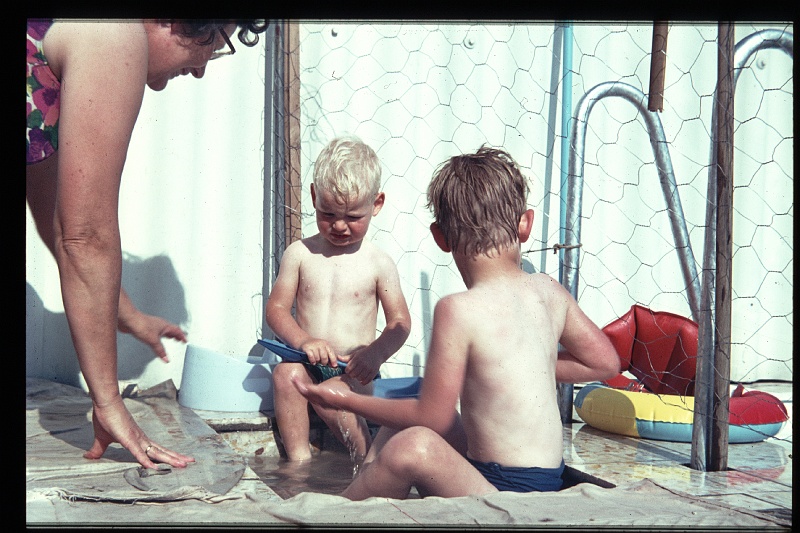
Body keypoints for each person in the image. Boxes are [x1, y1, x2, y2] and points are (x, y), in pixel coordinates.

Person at [293, 146, 621, 499]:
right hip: (542, 478)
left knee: (414, 445)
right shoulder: (550, 291)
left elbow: (432, 417)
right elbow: (604, 362)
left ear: (441, 238)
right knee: (395, 427)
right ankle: (365, 495)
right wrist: (517, 366)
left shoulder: (457, 309)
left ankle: (333, 517)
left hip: (508, 490)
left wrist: (344, 400)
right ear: (525, 224)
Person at [26, 19, 268, 470]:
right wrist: (108, 402)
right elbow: (85, 235)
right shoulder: (114, 31)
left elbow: (57, 225)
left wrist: (127, 314)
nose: (201, 68)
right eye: (214, 40)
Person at [265, 135, 412, 464]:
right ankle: (298, 464)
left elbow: (400, 324)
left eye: (353, 217)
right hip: (307, 364)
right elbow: (275, 310)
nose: (340, 226)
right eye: (328, 213)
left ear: (376, 204)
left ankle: (367, 463)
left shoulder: (378, 263)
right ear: (314, 196)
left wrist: (375, 355)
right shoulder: (300, 254)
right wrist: (303, 341)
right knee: (284, 376)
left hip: (353, 373)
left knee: (330, 396)